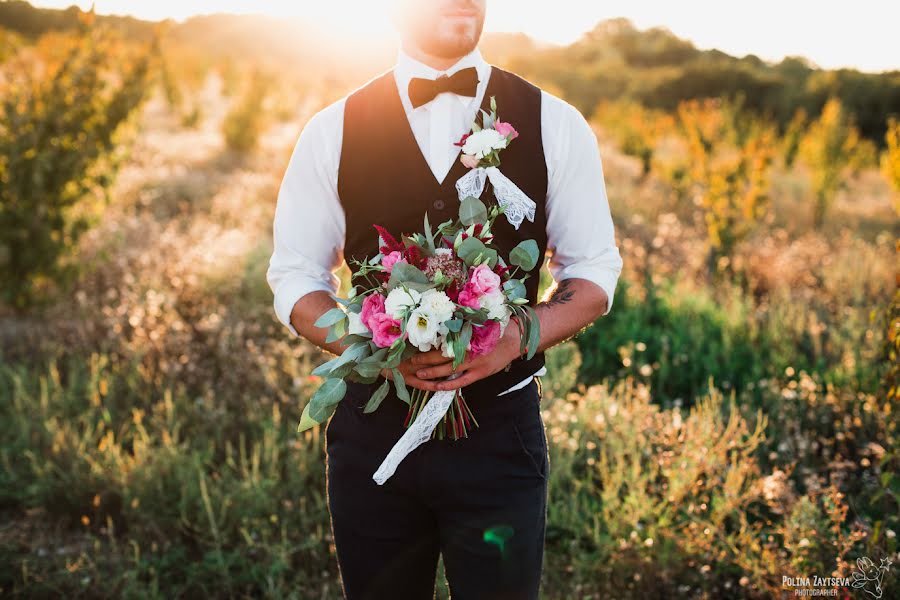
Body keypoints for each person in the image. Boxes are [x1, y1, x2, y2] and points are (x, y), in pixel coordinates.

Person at [266, 1, 623, 597]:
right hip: (372, 433)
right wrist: (368, 345)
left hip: (498, 439)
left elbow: (593, 276)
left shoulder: (554, 123)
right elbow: (296, 276)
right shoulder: (333, 129)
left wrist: (517, 336)